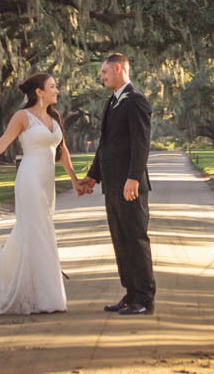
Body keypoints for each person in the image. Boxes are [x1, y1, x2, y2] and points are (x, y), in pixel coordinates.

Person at [0, 72, 83, 315]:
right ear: (39, 92)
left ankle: (35, 292)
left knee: (36, 233)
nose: (57, 90)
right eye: (52, 87)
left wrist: (75, 181)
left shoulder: (54, 117)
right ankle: (48, 299)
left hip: (47, 183)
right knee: (41, 231)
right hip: (29, 179)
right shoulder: (22, 117)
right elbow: (2, 143)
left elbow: (62, 150)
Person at [76, 51, 155, 314]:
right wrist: (92, 176)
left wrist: (134, 177)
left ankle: (144, 298)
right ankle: (130, 293)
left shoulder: (136, 101)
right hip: (111, 186)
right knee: (120, 241)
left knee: (135, 239)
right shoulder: (112, 103)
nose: (101, 77)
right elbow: (105, 146)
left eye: (104, 72)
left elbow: (141, 144)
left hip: (130, 186)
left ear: (118, 69)